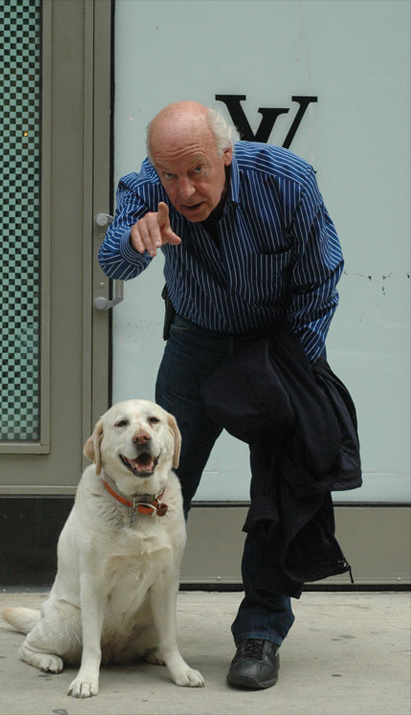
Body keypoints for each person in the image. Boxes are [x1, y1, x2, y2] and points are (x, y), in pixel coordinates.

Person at [98, 101, 345, 690]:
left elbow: (321, 275)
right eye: (170, 175)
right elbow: (112, 260)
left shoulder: (287, 182)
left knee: (281, 488)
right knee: (150, 481)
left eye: (198, 171)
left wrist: (293, 368)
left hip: (279, 341)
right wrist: (136, 244)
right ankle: (121, 621)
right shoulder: (146, 184)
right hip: (196, 343)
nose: (183, 190)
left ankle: (261, 631)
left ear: (226, 155)